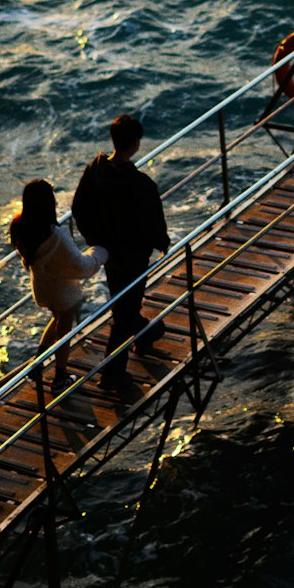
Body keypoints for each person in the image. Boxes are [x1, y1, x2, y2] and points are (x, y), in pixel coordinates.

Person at [71, 114, 170, 387]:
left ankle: (146, 333)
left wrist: (97, 240)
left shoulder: (95, 171)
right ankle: (112, 374)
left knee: (123, 302)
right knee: (125, 310)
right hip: (134, 256)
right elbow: (152, 223)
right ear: (136, 144)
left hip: (109, 253)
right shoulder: (141, 185)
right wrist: (163, 243)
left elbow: (78, 208)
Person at [10, 178, 107, 392]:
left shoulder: (20, 227)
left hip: (42, 287)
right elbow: (81, 266)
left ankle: (37, 362)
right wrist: (100, 253)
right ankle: (59, 378)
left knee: (57, 320)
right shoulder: (56, 236)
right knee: (65, 332)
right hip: (63, 291)